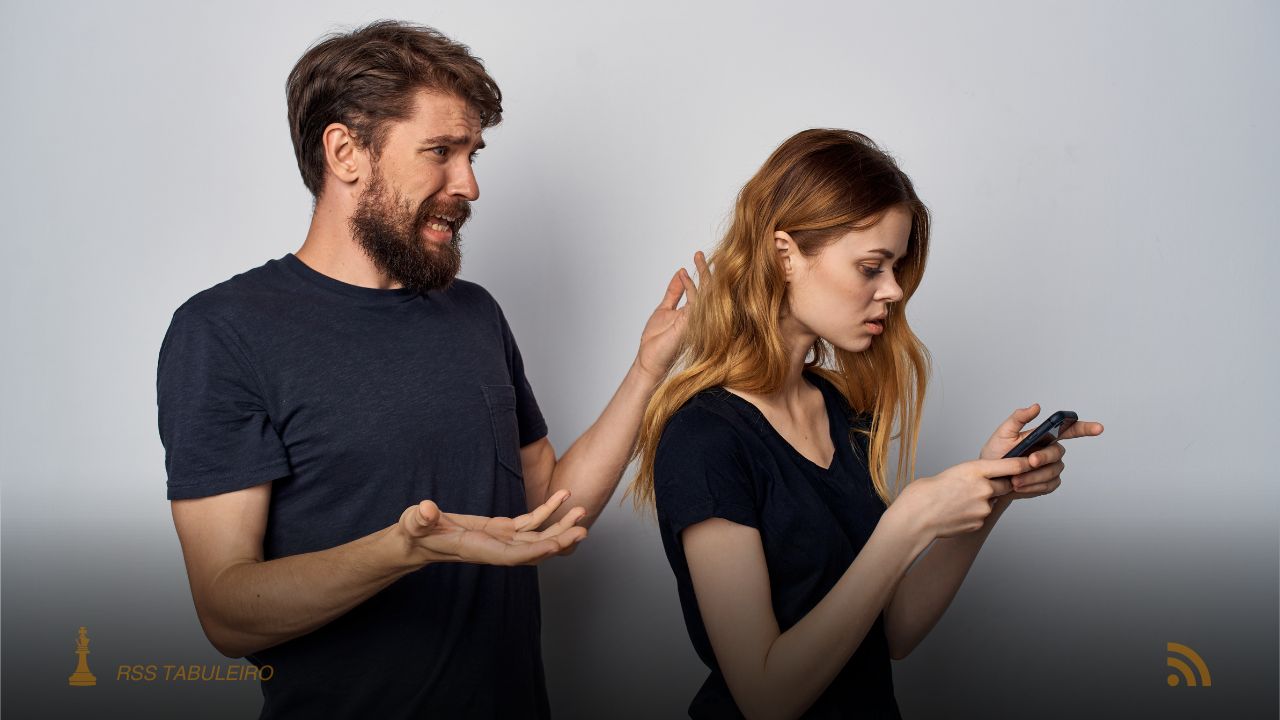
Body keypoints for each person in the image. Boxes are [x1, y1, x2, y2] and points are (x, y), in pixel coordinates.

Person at [157, 20, 700, 719]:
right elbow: (228, 614)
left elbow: (547, 512)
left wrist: (647, 371)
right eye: (440, 151)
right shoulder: (224, 332)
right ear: (345, 152)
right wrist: (402, 550)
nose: (468, 184)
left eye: (472, 154)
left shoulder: (474, 313)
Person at [627, 129, 1104, 719]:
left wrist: (991, 491)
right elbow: (764, 697)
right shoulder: (705, 439)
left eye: (895, 267)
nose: (894, 290)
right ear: (785, 255)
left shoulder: (842, 408)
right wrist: (906, 523)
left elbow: (893, 631)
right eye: (871, 267)